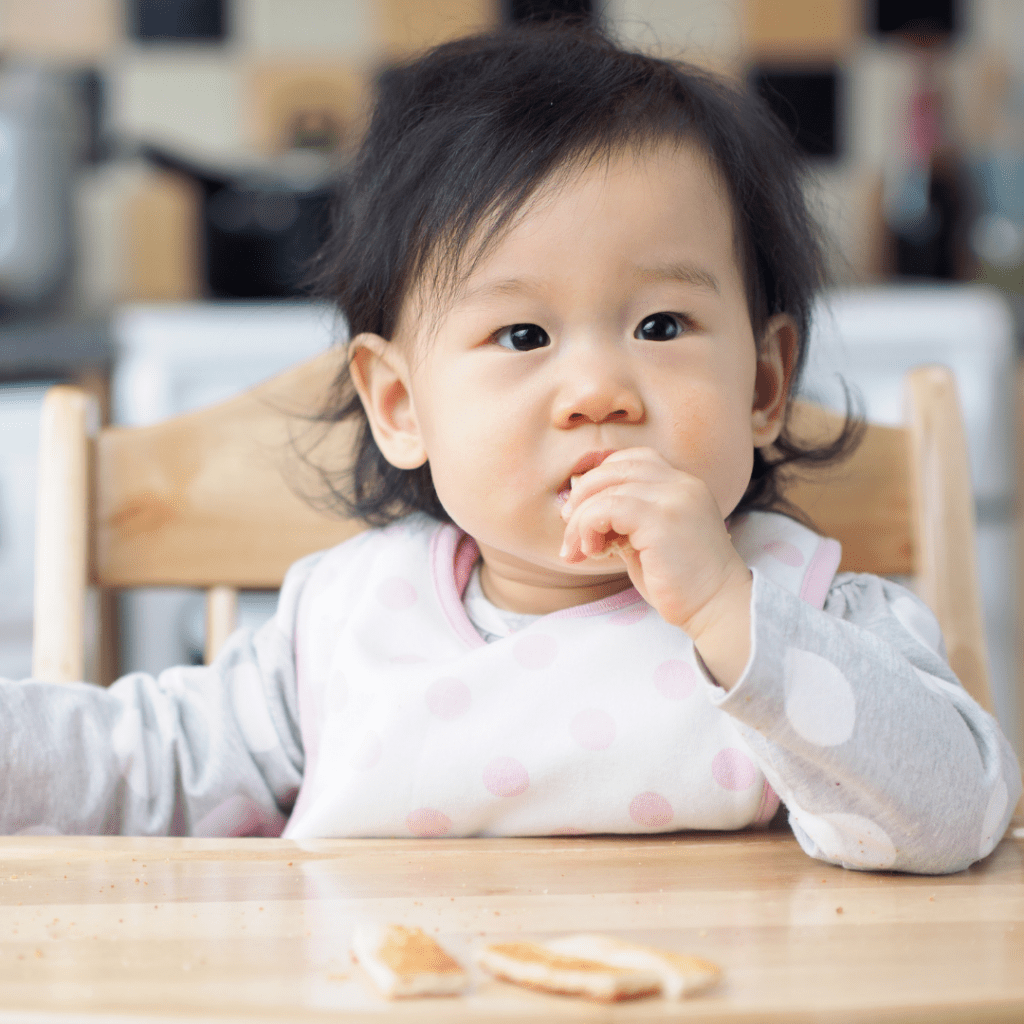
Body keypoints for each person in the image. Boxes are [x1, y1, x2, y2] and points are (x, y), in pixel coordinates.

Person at [3, 22, 1019, 872]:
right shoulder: (340, 634)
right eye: (522, 336)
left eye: (660, 326)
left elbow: (958, 814)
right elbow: (146, 766)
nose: (596, 392)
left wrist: (727, 614)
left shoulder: (804, 619)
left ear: (761, 386)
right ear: (400, 405)